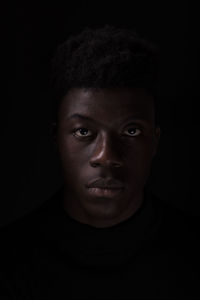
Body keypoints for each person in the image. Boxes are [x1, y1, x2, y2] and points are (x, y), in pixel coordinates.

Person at [1, 25, 199, 299]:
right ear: (56, 139)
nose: (106, 156)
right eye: (84, 132)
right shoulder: (9, 260)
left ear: (155, 141)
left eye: (131, 131)